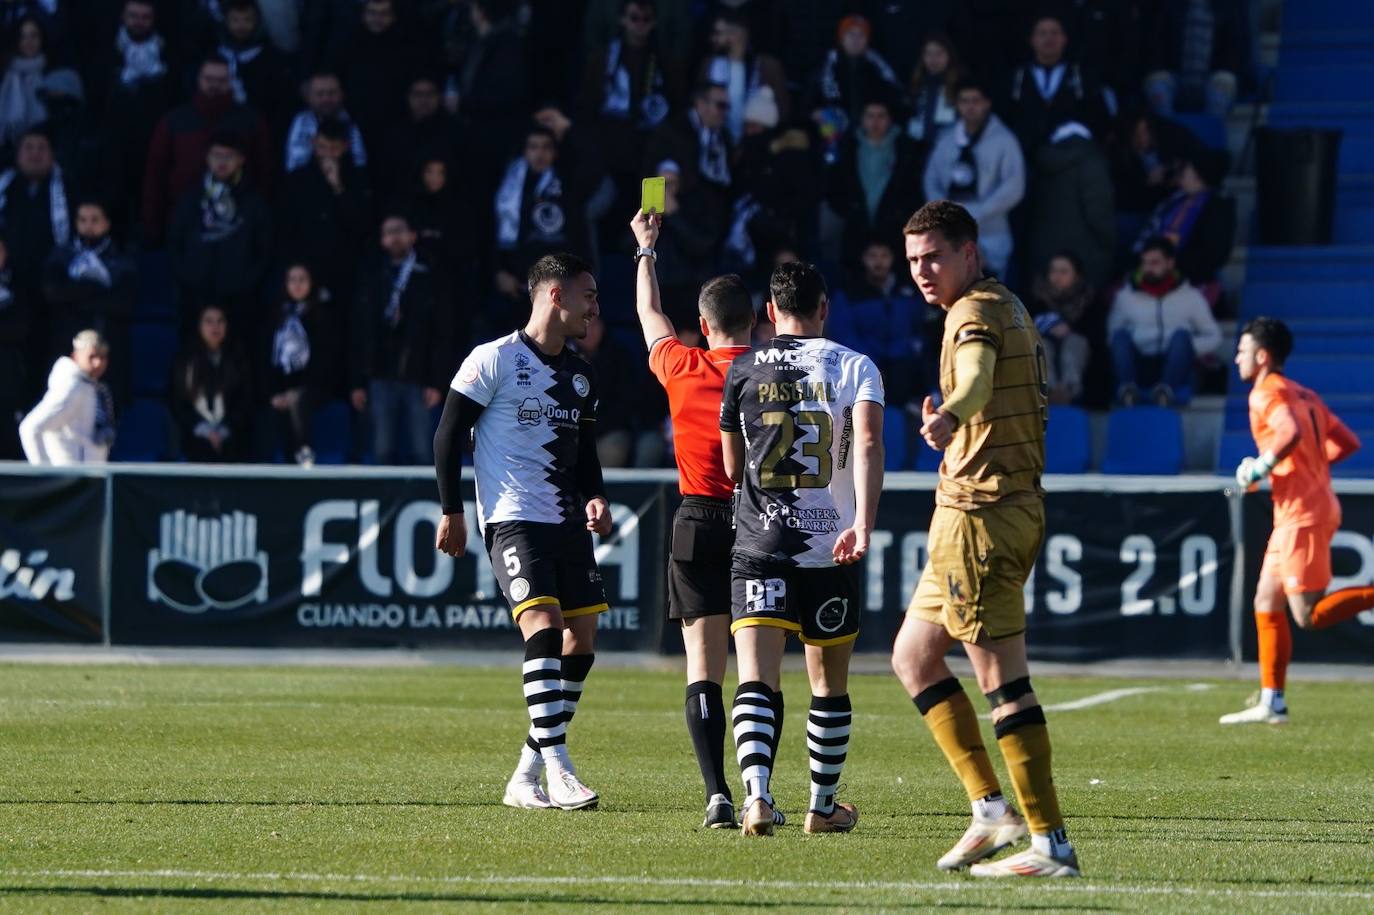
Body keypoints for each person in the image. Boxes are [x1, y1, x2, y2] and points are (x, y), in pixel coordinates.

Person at [892, 200, 1080, 878]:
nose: (922, 271)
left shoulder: (972, 312)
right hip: (980, 510)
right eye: (913, 260)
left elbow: (972, 379)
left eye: (934, 256)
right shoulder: (1008, 304)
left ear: (970, 252)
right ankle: (990, 809)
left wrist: (949, 416)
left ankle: (1050, 842)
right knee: (914, 656)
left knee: (1003, 680)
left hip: (982, 515)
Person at [433, 252, 613, 812]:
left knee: (580, 642)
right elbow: (447, 435)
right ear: (554, 294)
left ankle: (528, 768)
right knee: (542, 622)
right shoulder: (494, 360)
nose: (594, 309)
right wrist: (453, 510)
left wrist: (596, 495)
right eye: (588, 296)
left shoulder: (580, 374)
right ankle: (560, 768)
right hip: (513, 518)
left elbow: (585, 455)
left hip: (565, 521)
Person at [719, 260, 884, 836]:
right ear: (824, 309)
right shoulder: (856, 366)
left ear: (770, 312)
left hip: (760, 543)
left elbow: (731, 465)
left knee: (756, 680)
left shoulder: (741, 368)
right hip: (829, 546)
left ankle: (757, 798)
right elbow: (865, 440)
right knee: (827, 682)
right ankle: (822, 804)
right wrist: (862, 521)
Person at [629, 209, 757, 827]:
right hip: (762, 522)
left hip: (699, 521)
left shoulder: (683, 367)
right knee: (760, 670)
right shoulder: (772, 373)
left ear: (702, 326)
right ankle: (762, 789)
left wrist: (645, 250)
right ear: (755, 323)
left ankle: (717, 794)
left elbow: (649, 316)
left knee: (702, 668)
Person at [1222, 318, 1372, 725]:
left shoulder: (1264, 393)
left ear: (1263, 356)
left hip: (1302, 514)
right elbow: (1349, 443)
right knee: (1266, 602)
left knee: (1308, 615)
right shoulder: (1305, 393)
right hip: (1302, 509)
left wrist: (1260, 467)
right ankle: (1273, 700)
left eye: (1243, 349)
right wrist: (1306, 466)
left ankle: (1274, 698)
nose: (1237, 356)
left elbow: (1286, 433)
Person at [350, 212, 450, 465]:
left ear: (412, 236)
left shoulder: (430, 275)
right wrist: (357, 382)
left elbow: (440, 332)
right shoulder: (373, 276)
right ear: (382, 240)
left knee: (422, 451)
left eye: (399, 230)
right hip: (380, 374)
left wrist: (437, 382)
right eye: (388, 232)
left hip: (418, 376)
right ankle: (385, 505)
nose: (394, 237)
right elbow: (360, 332)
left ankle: (428, 504)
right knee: (382, 450)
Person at [142, 54, 273, 244]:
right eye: (209, 79)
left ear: (231, 81)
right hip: (184, 222)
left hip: (239, 225)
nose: (214, 85)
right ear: (198, 80)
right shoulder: (175, 121)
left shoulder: (251, 121)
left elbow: (265, 172)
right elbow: (156, 174)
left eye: (221, 80)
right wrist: (152, 225)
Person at [168, 132, 274, 325]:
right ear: (207, 157)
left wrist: (245, 281)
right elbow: (175, 243)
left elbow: (264, 250)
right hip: (195, 296)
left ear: (241, 159)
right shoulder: (190, 198)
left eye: (229, 156)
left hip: (241, 299)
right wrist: (189, 276)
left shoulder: (255, 202)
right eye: (216, 155)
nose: (222, 162)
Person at [923, 79, 1025, 278]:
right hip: (950, 230)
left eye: (975, 101)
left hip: (991, 232)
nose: (970, 107)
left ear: (987, 103)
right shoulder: (946, 139)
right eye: (964, 101)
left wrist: (979, 211)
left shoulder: (1005, 140)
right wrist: (944, 211)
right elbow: (931, 179)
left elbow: (1014, 185)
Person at [41, 198, 137, 408]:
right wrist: (97, 290)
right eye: (82, 220)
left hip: (108, 352)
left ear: (107, 223)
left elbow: (125, 302)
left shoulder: (120, 258)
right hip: (66, 348)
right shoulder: (63, 255)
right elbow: (52, 292)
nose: (88, 226)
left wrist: (76, 295)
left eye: (95, 220)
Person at [1107, 236, 1220, 407]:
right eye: (1145, 263)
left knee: (1182, 336)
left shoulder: (1190, 296)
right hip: (1139, 363)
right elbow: (1112, 335)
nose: (1149, 268)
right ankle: (1128, 391)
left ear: (1170, 263)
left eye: (1155, 263)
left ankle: (1165, 392)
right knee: (1120, 336)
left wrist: (1190, 348)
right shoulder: (1126, 297)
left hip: (1175, 362)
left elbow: (1214, 335)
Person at [826, 96, 922, 271]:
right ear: (862, 119)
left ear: (890, 119)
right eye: (870, 116)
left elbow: (913, 186)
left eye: (881, 116)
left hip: (895, 227)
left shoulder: (906, 149)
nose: (875, 122)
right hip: (856, 225)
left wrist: (901, 213)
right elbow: (833, 184)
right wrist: (848, 210)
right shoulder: (847, 147)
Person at [264, 263, 338, 466]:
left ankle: (304, 453)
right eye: (292, 280)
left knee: (298, 400)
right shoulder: (276, 315)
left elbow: (325, 360)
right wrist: (275, 392)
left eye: (302, 279)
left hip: (316, 386)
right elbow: (269, 358)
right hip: (282, 388)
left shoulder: (323, 315)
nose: (297, 285)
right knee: (273, 407)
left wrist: (295, 391)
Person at [1006, 14, 1108, 156]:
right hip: (1026, 153)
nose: (1049, 38)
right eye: (1042, 33)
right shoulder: (1017, 77)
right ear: (1032, 40)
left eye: (1054, 33)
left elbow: (1098, 116)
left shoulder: (1080, 76)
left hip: (1072, 153)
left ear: (1064, 39)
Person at [171, 303, 253, 462]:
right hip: (194, 438)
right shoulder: (184, 360)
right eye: (208, 321)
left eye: (220, 321)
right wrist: (203, 430)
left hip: (232, 439)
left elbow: (245, 401)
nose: (215, 327)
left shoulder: (238, 358)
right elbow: (177, 401)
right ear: (199, 326)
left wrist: (224, 430)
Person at [19, 328, 114, 465]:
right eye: (92, 356)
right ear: (75, 356)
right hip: (71, 478)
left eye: (102, 357)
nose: (98, 363)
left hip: (89, 477)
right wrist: (45, 473)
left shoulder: (95, 388)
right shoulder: (71, 386)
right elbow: (30, 427)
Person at [1142, 0, 1252, 117]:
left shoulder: (1230, 5)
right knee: (1157, 88)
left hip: (1212, 79)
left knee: (1223, 85)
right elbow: (1156, 45)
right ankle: (1166, 131)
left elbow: (1236, 50)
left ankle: (1210, 131)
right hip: (1174, 78)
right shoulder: (1167, 4)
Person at [698, 10, 789, 143]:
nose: (713, 38)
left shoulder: (767, 67)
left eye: (719, 33)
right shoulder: (709, 64)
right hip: (716, 144)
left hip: (755, 146)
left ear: (736, 35)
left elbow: (783, 112)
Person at [1028, 252, 1095, 406]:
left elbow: (1094, 334)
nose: (1057, 276)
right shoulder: (1036, 299)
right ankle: (1049, 391)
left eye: (1064, 272)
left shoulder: (1089, 300)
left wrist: (1070, 330)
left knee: (1074, 343)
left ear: (1077, 275)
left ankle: (1069, 392)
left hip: (1080, 356)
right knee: (1042, 345)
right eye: (1053, 271)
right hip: (1045, 349)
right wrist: (1049, 329)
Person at [284, 71, 367, 173]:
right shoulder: (302, 121)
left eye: (331, 93)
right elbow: (296, 165)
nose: (326, 99)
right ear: (309, 97)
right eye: (320, 94)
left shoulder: (350, 121)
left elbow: (360, 163)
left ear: (341, 94)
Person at [904, 33, 962, 148]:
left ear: (949, 55)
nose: (933, 59)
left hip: (949, 149)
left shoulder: (960, 86)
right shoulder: (916, 85)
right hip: (917, 149)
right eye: (928, 53)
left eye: (939, 53)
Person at [0, 16, 49, 148]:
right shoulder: (6, 74)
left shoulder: (49, 73)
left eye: (34, 36)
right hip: (8, 147)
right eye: (23, 37)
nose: (28, 41)